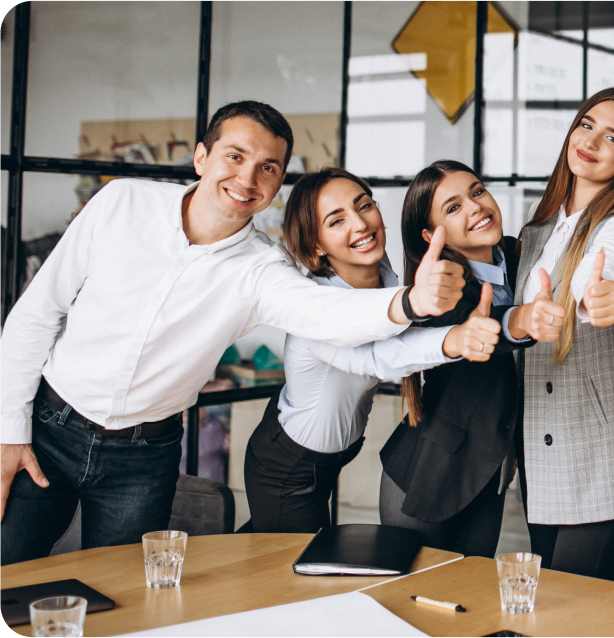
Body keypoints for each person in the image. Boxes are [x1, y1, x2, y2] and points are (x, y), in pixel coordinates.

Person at [0, 101, 464, 565]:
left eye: (268, 168)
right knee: (9, 566)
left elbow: (325, 312)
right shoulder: (122, 202)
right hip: (47, 429)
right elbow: (37, 315)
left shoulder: (264, 268)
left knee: (117, 594)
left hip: (144, 458)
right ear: (201, 157)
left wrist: (411, 302)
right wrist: (8, 432)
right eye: (235, 157)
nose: (248, 180)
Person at [243, 167, 485, 533]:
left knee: (274, 550)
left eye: (364, 205)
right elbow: (378, 358)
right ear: (315, 245)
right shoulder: (315, 309)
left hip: (324, 458)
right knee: (290, 572)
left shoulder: (380, 273)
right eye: (336, 220)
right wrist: (455, 339)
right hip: (288, 468)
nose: (360, 224)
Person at [378, 160, 564, 557]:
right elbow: (487, 328)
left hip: (490, 468)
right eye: (453, 207)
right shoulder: (441, 290)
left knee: (469, 600)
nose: (475, 207)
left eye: (477, 192)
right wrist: (522, 319)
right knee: (412, 601)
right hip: (430, 470)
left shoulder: (519, 260)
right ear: (431, 236)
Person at [514, 87, 614, 580]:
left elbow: (610, 261)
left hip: (601, 450)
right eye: (586, 125)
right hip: (541, 445)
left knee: (577, 608)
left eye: (613, 137)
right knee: (545, 597)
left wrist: (599, 290)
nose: (591, 141)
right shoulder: (535, 233)